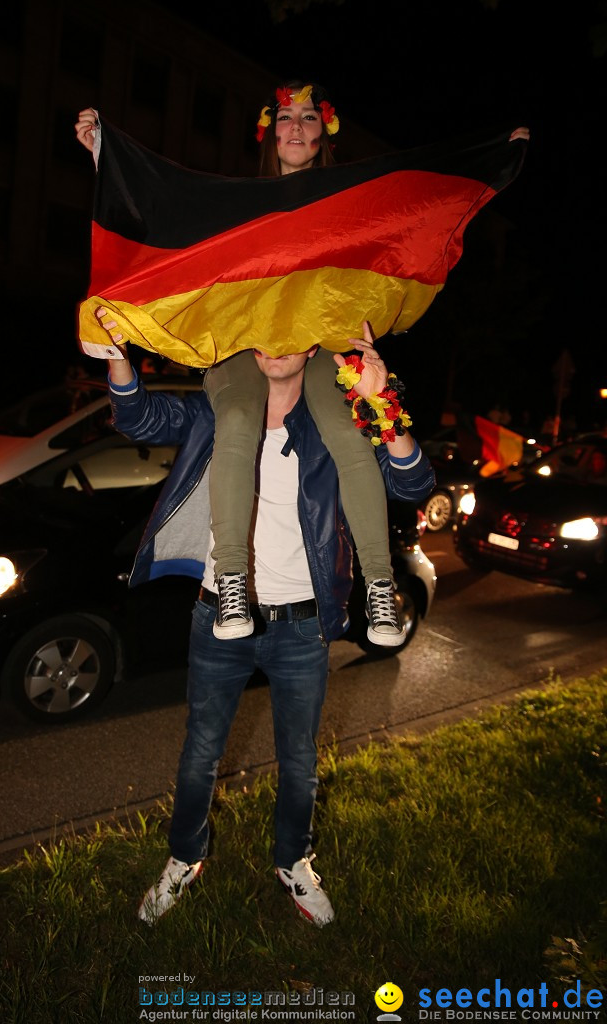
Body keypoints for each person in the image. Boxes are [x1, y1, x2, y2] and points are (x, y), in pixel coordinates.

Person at [92, 308, 435, 927]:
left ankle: (294, 863)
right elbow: (138, 416)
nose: (277, 345)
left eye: (292, 335)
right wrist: (117, 353)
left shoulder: (334, 429)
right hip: (217, 613)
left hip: (301, 623)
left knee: (299, 758)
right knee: (201, 751)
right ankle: (183, 860)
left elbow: (413, 483)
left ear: (312, 349)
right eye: (264, 333)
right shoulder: (215, 414)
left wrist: (381, 401)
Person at [75, 83, 408, 651]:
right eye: (286, 116)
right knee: (233, 423)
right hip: (244, 340)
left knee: (350, 438)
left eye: (308, 117)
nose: (297, 127)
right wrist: (109, 156)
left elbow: (408, 211)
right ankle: (232, 579)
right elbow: (169, 205)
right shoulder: (238, 200)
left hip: (322, 340)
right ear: (269, 130)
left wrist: (486, 161)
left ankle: (379, 586)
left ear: (324, 131)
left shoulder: (344, 202)